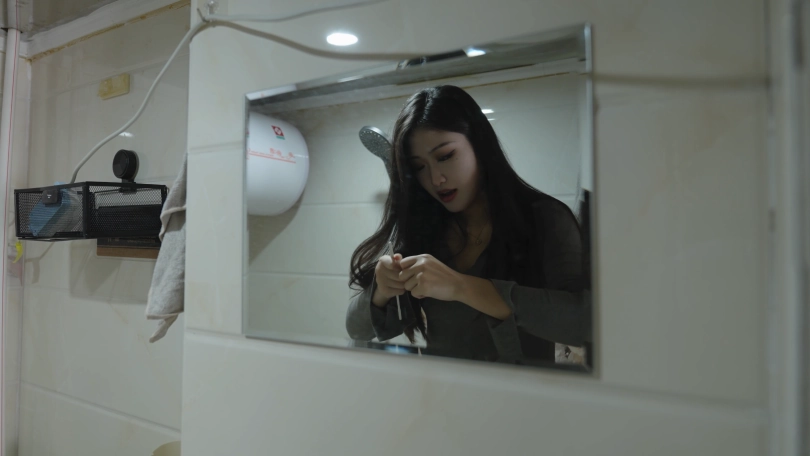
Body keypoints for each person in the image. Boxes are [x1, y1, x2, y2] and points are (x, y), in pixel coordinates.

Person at [345, 85, 591, 364]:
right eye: (419, 167)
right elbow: (356, 329)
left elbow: (584, 324)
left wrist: (462, 287)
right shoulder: (426, 228)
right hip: (442, 388)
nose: (436, 179)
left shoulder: (545, 218)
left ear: (479, 145)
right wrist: (381, 290)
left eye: (445, 156)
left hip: (527, 391)